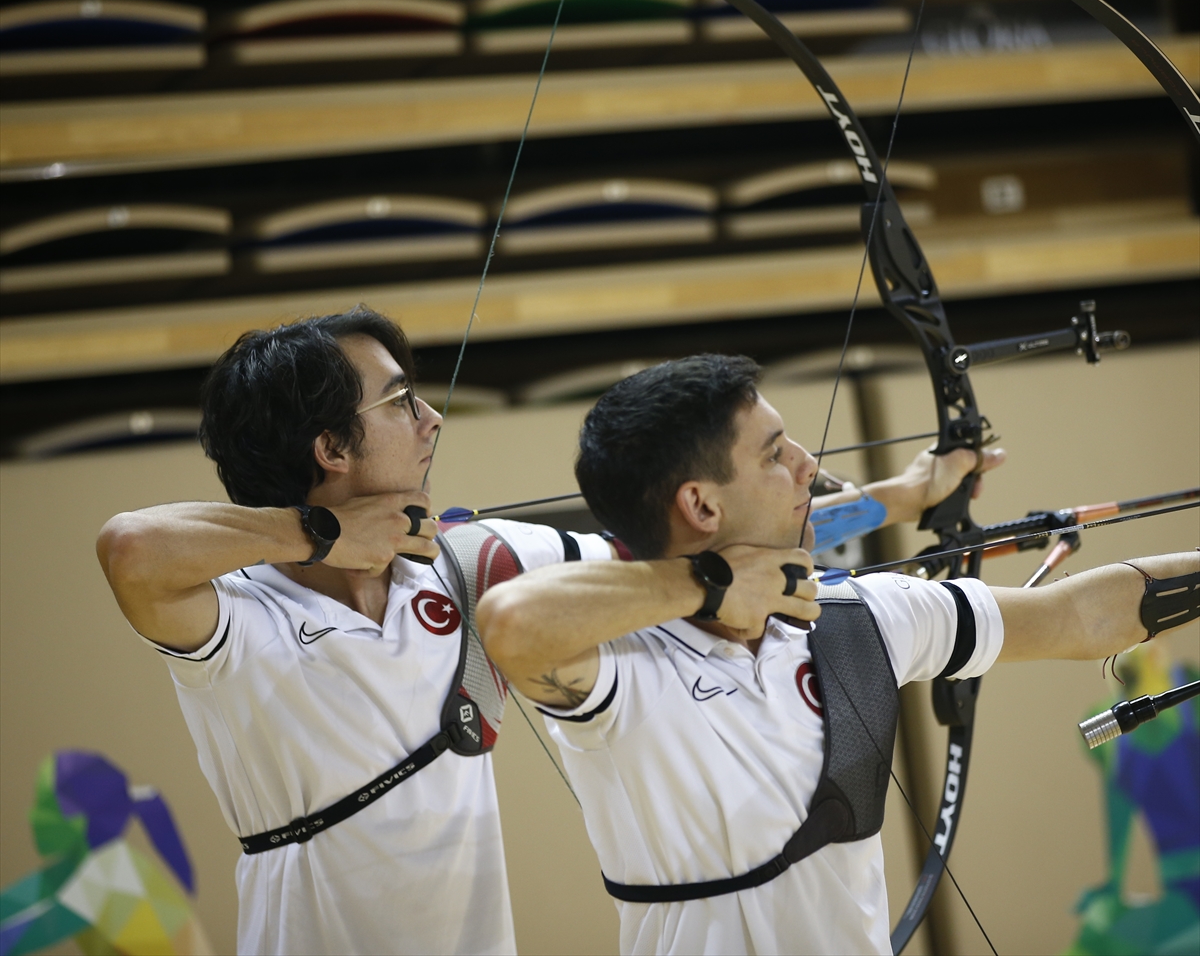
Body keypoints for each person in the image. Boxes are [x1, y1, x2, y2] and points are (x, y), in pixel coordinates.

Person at [96, 311, 998, 955]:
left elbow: (697, 548)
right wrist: (322, 534)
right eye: (402, 402)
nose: (431, 418)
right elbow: (130, 547)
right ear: (331, 448)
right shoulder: (241, 610)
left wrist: (909, 495)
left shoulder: (460, 561)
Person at [476, 354, 1199, 956]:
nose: (806, 462)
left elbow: (1077, 614)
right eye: (774, 453)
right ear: (700, 506)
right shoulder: (622, 661)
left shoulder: (861, 616)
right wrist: (715, 582)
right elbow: (510, 621)